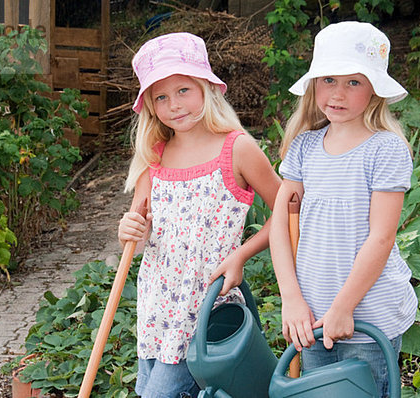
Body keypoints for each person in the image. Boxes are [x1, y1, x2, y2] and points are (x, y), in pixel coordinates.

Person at [118, 32, 281, 398]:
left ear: (206, 87)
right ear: (150, 106)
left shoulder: (236, 148)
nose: (174, 105)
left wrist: (240, 255)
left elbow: (286, 210)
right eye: (161, 96)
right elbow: (140, 232)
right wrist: (130, 230)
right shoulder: (153, 157)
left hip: (205, 309)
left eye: (183, 90)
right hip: (157, 309)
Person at [269, 21, 417, 397]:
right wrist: (291, 297)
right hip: (312, 315)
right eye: (328, 80)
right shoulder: (304, 147)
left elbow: (381, 238)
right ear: (314, 84)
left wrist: (344, 307)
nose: (338, 93)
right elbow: (279, 227)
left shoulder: (385, 149)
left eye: (354, 82)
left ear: (374, 90)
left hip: (367, 316)